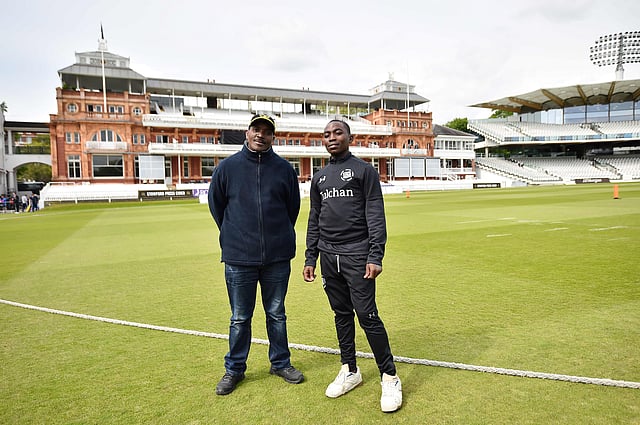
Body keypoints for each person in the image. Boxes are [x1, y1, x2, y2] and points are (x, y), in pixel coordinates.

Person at [303, 119, 402, 413]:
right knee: (341, 314)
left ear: (349, 137)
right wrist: (310, 257)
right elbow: (314, 219)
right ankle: (350, 369)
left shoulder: (363, 171)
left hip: (357, 255)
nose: (331, 138)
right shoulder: (319, 178)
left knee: (367, 315)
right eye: (326, 134)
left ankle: (390, 376)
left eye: (337, 133)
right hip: (327, 255)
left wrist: (375, 255)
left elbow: (375, 214)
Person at [208, 113, 304, 396]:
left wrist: (277, 236)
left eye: (267, 131)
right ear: (247, 132)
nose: (261, 135)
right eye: (256, 129)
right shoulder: (227, 168)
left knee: (276, 313)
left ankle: (280, 363)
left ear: (273, 136)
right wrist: (236, 235)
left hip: (277, 256)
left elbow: (292, 209)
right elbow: (218, 207)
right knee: (240, 317)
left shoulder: (285, 169)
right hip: (239, 257)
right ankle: (235, 369)